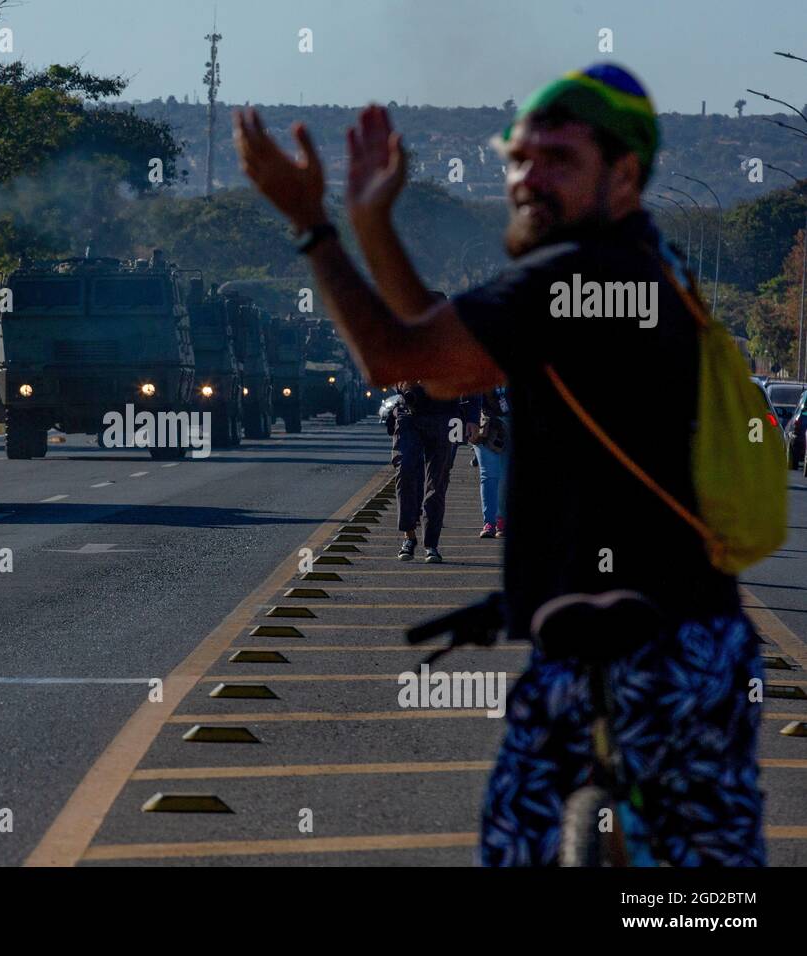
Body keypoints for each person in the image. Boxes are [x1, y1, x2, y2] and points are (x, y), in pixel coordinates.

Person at [233, 63, 763, 865]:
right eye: (518, 158)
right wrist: (373, 218)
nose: (527, 178)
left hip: (656, 655)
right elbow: (447, 364)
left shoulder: (573, 279)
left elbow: (393, 356)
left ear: (625, 173)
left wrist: (313, 226)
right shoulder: (649, 266)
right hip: (683, 638)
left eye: (558, 160)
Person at [391, 380, 476, 562]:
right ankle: (409, 535)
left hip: (448, 416)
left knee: (438, 479)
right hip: (409, 412)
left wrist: (473, 418)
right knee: (405, 469)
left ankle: (431, 544)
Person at [469, 386, 510, 538]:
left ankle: (501, 518)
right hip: (485, 423)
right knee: (489, 475)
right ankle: (491, 522)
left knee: (505, 476)